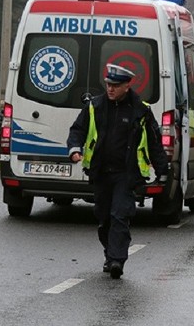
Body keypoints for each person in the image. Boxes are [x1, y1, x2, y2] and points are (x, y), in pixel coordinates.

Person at [67, 63, 169, 279]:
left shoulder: (140, 110)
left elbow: (154, 142)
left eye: (115, 85)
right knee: (104, 217)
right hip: (101, 172)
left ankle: (117, 259)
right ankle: (109, 253)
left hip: (126, 173)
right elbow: (78, 129)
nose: (110, 89)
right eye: (108, 84)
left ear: (127, 86)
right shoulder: (95, 106)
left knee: (120, 215)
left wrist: (162, 170)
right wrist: (74, 149)